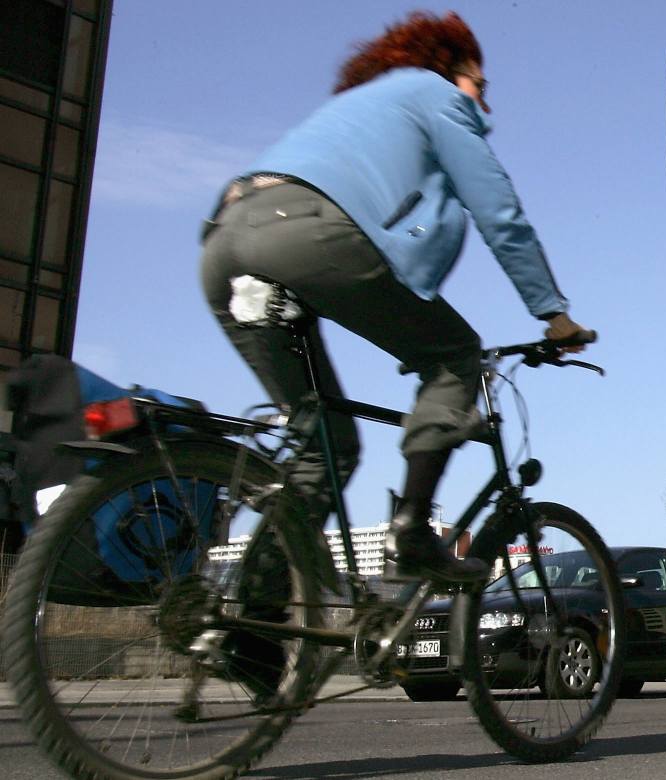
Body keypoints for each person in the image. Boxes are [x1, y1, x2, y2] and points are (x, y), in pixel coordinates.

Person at [200, 11, 590, 584]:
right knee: (454, 354)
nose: (483, 103)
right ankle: (411, 533)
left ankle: (254, 607)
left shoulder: (352, 108)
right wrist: (553, 313)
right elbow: (500, 213)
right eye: (480, 85)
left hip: (222, 244)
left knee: (323, 446)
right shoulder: (434, 94)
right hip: (304, 236)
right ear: (448, 69)